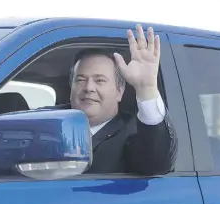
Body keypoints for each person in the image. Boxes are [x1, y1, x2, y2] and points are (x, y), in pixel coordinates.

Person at [63, 24, 177, 175]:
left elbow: (156, 162)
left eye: (100, 81)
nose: (88, 87)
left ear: (119, 91)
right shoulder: (46, 122)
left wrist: (146, 88)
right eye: (81, 80)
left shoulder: (132, 133)